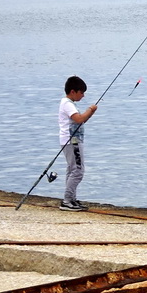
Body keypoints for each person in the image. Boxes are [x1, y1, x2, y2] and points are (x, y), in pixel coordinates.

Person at [58, 75, 97, 211]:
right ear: (73, 91)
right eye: (81, 92)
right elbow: (79, 119)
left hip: (70, 141)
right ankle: (67, 200)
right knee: (78, 171)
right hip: (72, 141)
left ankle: (71, 199)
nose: (83, 95)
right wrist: (90, 110)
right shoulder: (68, 104)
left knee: (72, 169)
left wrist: (90, 114)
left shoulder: (68, 104)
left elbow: (80, 120)